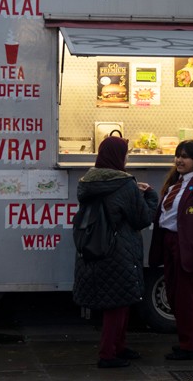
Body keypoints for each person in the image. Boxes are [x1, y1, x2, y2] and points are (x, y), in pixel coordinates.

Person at [72, 136, 159, 368]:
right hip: (118, 251)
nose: (128, 157)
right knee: (118, 305)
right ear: (118, 156)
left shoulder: (89, 181)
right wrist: (150, 195)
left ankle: (119, 347)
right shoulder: (124, 184)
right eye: (126, 153)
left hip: (96, 249)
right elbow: (143, 218)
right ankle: (108, 354)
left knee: (119, 301)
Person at [148, 140, 193, 360]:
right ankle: (189, 342)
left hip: (186, 246)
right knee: (174, 296)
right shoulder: (173, 183)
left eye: (185, 156)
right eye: (177, 155)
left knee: (187, 299)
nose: (179, 160)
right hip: (169, 244)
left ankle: (190, 347)